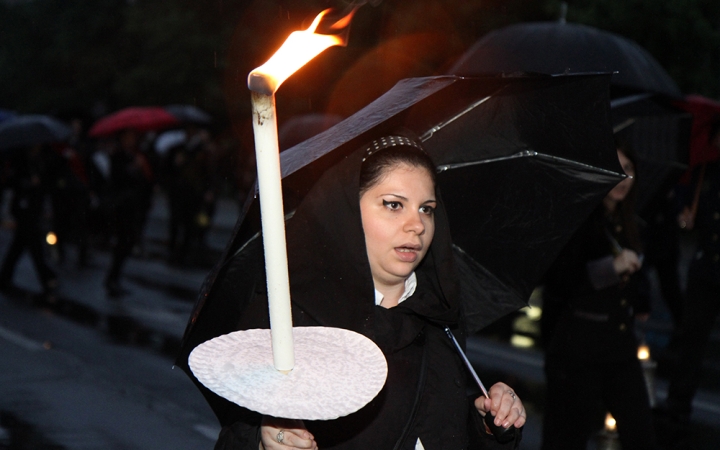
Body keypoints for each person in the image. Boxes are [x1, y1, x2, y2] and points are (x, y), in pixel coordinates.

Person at [188, 134, 526, 449]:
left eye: (427, 208)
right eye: (394, 204)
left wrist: (485, 423)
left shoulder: (440, 319)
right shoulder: (289, 318)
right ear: (347, 211)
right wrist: (264, 441)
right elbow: (237, 435)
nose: (418, 224)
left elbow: (431, 430)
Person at [540, 145, 658, 449]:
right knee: (567, 437)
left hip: (619, 346)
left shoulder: (628, 222)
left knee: (640, 433)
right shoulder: (577, 218)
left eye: (629, 169)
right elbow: (560, 281)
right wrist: (612, 268)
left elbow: (642, 276)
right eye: (615, 169)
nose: (623, 178)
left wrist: (640, 295)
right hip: (577, 349)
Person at [658, 122, 720, 447]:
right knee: (691, 341)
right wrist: (685, 216)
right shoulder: (704, 173)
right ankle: (676, 408)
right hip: (705, 271)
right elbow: (681, 210)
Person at [0, 144, 58, 298]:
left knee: (20, 244)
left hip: (33, 206)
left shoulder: (42, 159)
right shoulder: (20, 159)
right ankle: (46, 276)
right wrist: (27, 182)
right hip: (23, 206)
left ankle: (5, 275)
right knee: (33, 243)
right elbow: (11, 181)